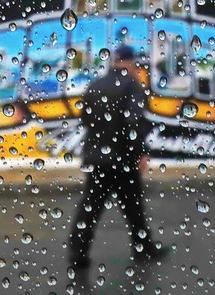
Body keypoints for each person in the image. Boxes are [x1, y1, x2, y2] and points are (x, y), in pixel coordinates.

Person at [68, 45, 169, 275]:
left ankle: (78, 253)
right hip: (123, 158)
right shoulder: (132, 85)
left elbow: (85, 120)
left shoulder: (95, 85)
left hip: (97, 159)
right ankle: (144, 249)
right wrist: (140, 152)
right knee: (133, 207)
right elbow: (134, 122)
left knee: (90, 207)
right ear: (130, 63)